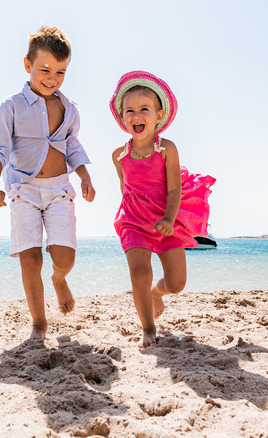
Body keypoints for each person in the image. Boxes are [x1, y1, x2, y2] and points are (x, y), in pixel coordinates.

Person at [0, 26, 96, 339]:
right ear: (27, 65)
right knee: (30, 258)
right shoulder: (12, 107)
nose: (52, 77)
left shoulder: (68, 109)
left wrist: (85, 176)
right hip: (24, 190)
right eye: (45, 69)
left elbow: (73, 146)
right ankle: (39, 322)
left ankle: (59, 280)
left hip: (60, 189)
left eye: (61, 71)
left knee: (65, 257)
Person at [109, 71, 215, 348]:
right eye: (130, 110)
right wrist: (132, 216)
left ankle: (157, 294)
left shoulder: (166, 149)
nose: (137, 115)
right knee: (139, 273)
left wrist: (169, 218)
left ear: (158, 116)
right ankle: (148, 328)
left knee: (177, 283)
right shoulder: (119, 155)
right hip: (134, 222)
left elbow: (174, 188)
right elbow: (125, 187)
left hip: (167, 220)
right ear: (122, 118)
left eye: (145, 109)